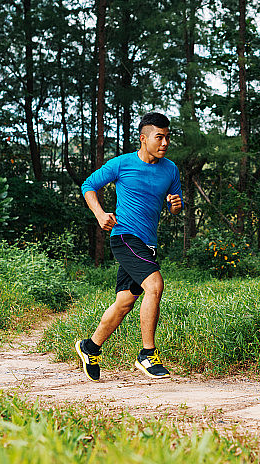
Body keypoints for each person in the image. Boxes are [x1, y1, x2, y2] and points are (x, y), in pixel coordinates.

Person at [75, 112, 182, 381]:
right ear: (143, 139)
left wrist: (175, 206)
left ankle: (90, 347)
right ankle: (147, 354)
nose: (165, 143)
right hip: (124, 236)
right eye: (159, 137)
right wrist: (100, 215)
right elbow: (88, 186)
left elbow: (173, 204)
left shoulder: (170, 169)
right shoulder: (122, 164)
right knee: (155, 286)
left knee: (124, 302)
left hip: (148, 242)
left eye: (168, 137)